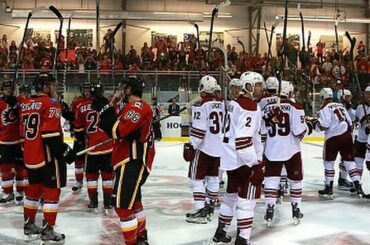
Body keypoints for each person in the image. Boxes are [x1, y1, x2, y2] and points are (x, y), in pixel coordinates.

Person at [94, 77, 155, 245]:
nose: (120, 90)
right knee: (134, 202)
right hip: (128, 161)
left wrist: (106, 108)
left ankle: (133, 242)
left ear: (129, 90)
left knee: (122, 206)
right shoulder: (130, 107)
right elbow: (112, 128)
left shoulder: (138, 106)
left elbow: (118, 131)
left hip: (132, 161)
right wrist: (111, 105)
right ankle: (141, 237)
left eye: (123, 88)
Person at [20, 73, 72, 243]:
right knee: (51, 192)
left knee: (32, 192)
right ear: (44, 87)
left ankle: (29, 225)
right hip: (48, 156)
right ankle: (48, 230)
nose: (54, 88)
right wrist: (64, 151)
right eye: (52, 85)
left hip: (30, 155)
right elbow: (50, 134)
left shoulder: (26, 104)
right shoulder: (51, 104)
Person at [212, 74, 264, 245]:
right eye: (257, 85)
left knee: (230, 196)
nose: (260, 88)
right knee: (246, 201)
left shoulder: (234, 103)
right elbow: (243, 141)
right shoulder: (249, 106)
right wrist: (255, 165)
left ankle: (221, 232)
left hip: (230, 159)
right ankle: (243, 239)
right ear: (248, 86)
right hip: (244, 160)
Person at [262, 80, 306, 226]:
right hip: (291, 150)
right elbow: (299, 132)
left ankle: (269, 208)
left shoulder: (267, 108)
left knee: (271, 180)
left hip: (271, 150)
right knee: (295, 180)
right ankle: (296, 208)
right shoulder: (295, 107)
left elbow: (261, 132)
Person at [183, 75, 224, 224]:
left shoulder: (201, 105)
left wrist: (191, 144)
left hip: (204, 148)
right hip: (219, 147)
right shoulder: (222, 104)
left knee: (196, 179)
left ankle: (201, 210)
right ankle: (210, 206)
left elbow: (199, 130)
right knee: (213, 178)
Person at [314, 88, 366, 199]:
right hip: (347, 136)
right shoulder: (341, 106)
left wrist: (314, 125)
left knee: (328, 163)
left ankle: (329, 188)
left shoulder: (324, 107)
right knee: (350, 163)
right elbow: (350, 124)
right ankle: (358, 187)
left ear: (323, 97)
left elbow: (324, 125)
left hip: (332, 138)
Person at [73, 83, 114, 214]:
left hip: (92, 148)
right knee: (108, 176)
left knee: (91, 176)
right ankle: (108, 202)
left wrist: (80, 140)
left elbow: (78, 128)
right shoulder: (107, 103)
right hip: (108, 146)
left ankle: (93, 202)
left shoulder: (80, 106)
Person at [0, 81, 27, 204]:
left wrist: (15, 105)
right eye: (6, 89)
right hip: (4, 141)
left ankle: (20, 191)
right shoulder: (0, 103)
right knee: (5, 168)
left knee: (19, 167)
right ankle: (8, 192)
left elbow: (22, 116)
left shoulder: (20, 102)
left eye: (10, 88)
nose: (8, 91)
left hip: (18, 140)